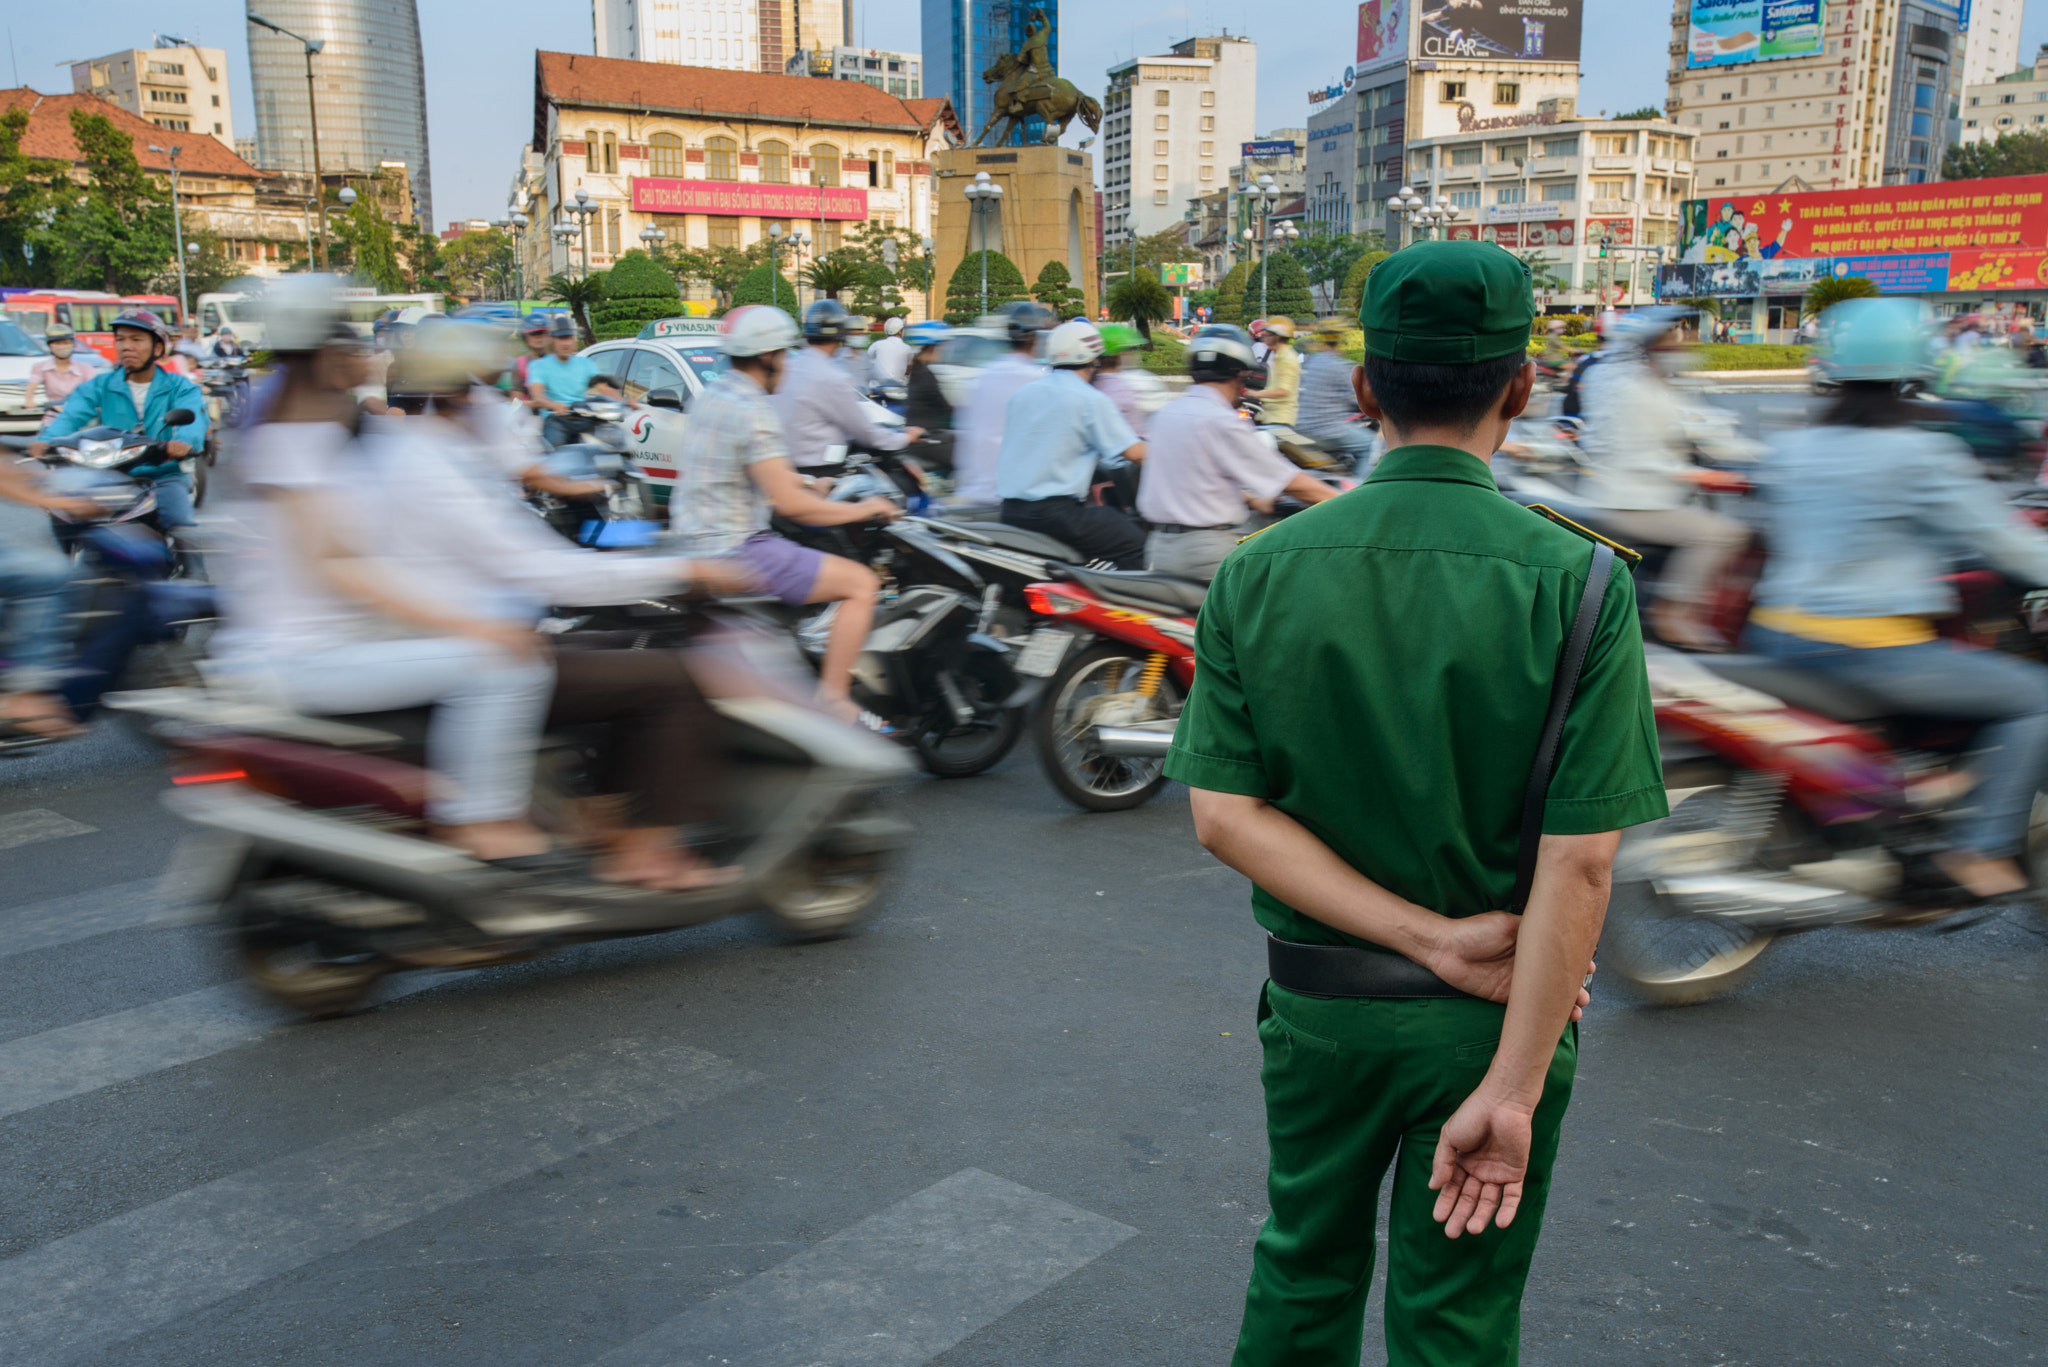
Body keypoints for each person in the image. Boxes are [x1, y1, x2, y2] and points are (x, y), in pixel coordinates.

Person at [1166, 239, 1664, 1367]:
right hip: (1500, 1016)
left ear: (1363, 388)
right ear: (1522, 386)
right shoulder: (1582, 581)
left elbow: (1223, 817)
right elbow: (1579, 865)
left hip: (1320, 1011)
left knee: (1301, 1266)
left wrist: (1423, 939)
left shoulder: (1259, 568)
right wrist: (1513, 1083)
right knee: (1456, 1314)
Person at [367, 323, 757, 890]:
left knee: (627, 644)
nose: (496, 403)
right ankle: (647, 852)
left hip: (471, 637)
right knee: (673, 678)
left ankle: (597, 816)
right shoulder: (431, 465)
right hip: (469, 653)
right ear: (455, 393)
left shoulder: (416, 450)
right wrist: (685, 572)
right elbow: (546, 571)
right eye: (486, 389)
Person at [209, 276, 557, 865]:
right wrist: (473, 626)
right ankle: (480, 822)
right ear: (322, 355)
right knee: (507, 662)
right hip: (306, 655)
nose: (361, 354)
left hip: (334, 639)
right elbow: (342, 568)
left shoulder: (313, 425)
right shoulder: (296, 440)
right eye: (347, 343)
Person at [1748, 297, 2048, 900]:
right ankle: (1980, 851)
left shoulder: (1795, 444)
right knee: (2034, 700)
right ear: (1916, 367)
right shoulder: (1920, 452)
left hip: (1773, 633)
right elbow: (2002, 543)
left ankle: (1923, 792)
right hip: (1867, 650)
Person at [670, 305, 903, 720]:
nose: (788, 365)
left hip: (691, 542)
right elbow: (795, 508)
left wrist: (807, 482)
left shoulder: (714, 396)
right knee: (862, 584)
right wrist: (865, 508)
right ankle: (834, 700)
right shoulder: (755, 409)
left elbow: (754, 469)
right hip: (737, 548)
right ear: (767, 357)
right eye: (784, 355)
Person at [1573, 306, 1749, 648]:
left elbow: (1702, 424)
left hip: (1650, 495)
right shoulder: (1628, 389)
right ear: (1648, 347)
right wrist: (1703, 475)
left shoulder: (1653, 385)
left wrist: (1754, 455)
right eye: (1669, 342)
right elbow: (1640, 457)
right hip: (1630, 501)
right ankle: (1674, 612)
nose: (1679, 349)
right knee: (1724, 534)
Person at [1137, 325, 1336, 582]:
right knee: (1296, 591)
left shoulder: (1166, 414)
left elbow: (1192, 476)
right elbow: (1292, 483)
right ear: (1240, 373)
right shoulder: (1222, 420)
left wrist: (1250, 499)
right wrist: (1351, 503)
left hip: (1159, 550)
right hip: (1208, 554)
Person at [31, 310, 207, 530]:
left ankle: (189, 564)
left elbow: (193, 418)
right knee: (68, 520)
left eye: (136, 339)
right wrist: (47, 441)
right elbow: (71, 416)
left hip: (162, 475)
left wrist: (184, 441)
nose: (126, 346)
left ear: (158, 348)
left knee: (180, 525)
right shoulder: (99, 385)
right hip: (107, 475)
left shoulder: (180, 386)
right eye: (120, 339)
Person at [995, 319, 1148, 569]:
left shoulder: (1023, 394)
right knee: (1136, 543)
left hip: (1011, 513)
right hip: (1056, 516)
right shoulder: (1090, 399)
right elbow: (1136, 453)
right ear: (1094, 360)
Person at [772, 300, 922, 473]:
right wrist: (904, 437)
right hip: (823, 471)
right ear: (841, 334)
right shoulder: (833, 376)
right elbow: (865, 432)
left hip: (787, 469)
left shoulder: (788, 367)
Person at [954, 301, 1054, 504]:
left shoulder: (985, 376)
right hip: (1016, 496)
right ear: (1034, 339)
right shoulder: (1038, 380)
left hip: (973, 490)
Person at [1296, 317, 1375, 467]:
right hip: (1328, 430)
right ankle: (1358, 487)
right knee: (1371, 444)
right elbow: (1361, 395)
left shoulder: (1312, 360)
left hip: (1303, 426)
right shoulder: (1339, 365)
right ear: (1341, 339)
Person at [526, 317, 600, 449]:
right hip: (556, 420)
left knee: (609, 447)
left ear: (574, 340)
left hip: (585, 419)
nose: (565, 343)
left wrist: (623, 401)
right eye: (561, 338)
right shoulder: (539, 365)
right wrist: (553, 405)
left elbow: (603, 386)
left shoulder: (586, 363)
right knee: (557, 452)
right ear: (552, 340)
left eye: (568, 338)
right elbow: (537, 396)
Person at [902, 321, 957, 472]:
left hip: (922, 437)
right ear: (933, 347)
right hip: (926, 439)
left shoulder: (918, 370)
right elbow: (944, 408)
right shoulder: (926, 375)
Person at [26, 326, 99, 417]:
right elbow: (33, 383)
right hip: (53, 416)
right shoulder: (40, 367)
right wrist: (29, 400)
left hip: (80, 416)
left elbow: (96, 388)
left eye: (66, 343)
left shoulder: (85, 368)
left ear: (73, 344)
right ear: (49, 346)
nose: (62, 346)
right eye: (57, 343)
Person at [1252, 318, 1301, 428]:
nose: (1265, 338)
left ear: (1277, 336)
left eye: (1268, 334)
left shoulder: (1287, 358)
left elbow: (1283, 391)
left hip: (1279, 419)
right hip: (1268, 416)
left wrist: (1255, 394)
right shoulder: (1277, 355)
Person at [867, 315, 912, 387]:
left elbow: (866, 359)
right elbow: (909, 368)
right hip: (898, 388)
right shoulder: (907, 348)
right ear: (900, 331)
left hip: (876, 387)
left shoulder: (877, 344)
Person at [512, 316, 552, 398]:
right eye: (533, 333)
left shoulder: (559, 359)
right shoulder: (519, 364)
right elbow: (516, 399)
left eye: (542, 333)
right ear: (525, 338)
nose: (538, 337)